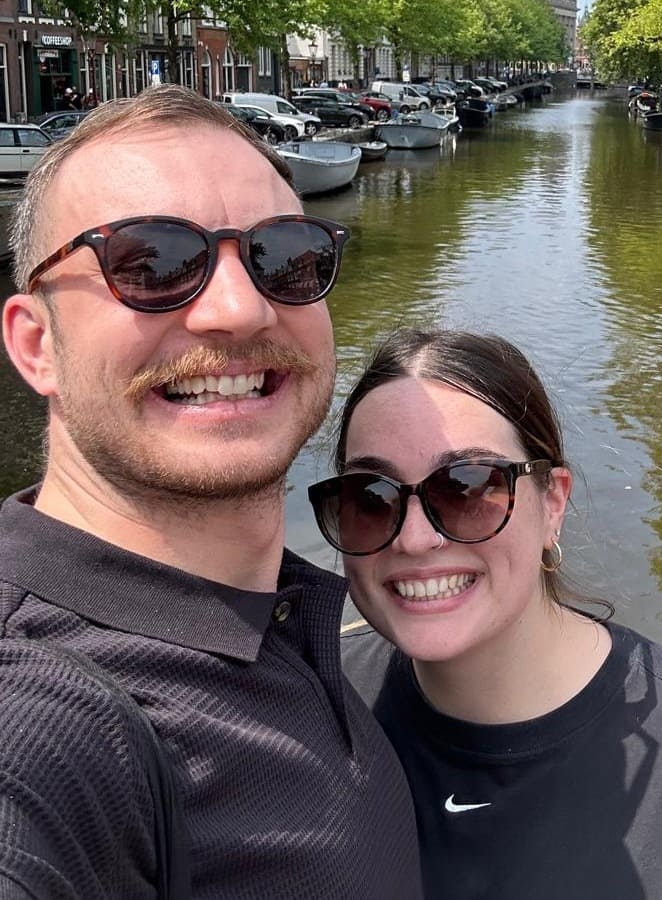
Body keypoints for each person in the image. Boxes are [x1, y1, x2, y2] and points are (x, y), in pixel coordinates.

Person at [0, 85, 421, 898]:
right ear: (35, 344)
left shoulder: (296, 618)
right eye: (151, 262)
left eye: (285, 257)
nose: (238, 308)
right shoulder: (42, 722)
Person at [322, 329, 662, 900]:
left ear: (553, 503)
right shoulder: (315, 701)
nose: (414, 539)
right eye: (371, 497)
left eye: (467, 487)